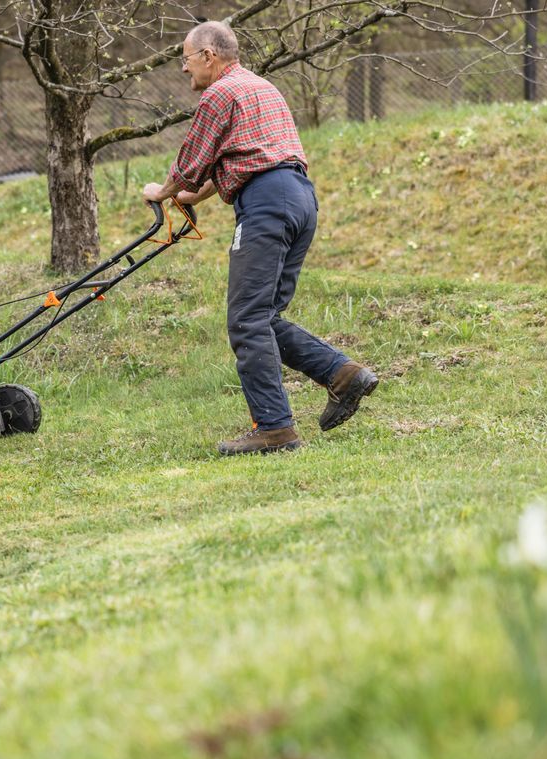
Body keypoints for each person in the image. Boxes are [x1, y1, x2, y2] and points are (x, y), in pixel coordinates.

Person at [142, 21, 378, 456]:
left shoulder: (219, 93)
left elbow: (191, 161)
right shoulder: (259, 87)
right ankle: (344, 375)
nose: (183, 69)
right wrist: (197, 193)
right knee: (264, 316)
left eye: (187, 59)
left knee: (247, 320)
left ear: (209, 56)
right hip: (298, 198)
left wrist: (163, 191)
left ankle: (274, 428)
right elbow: (239, 157)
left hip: (267, 204)